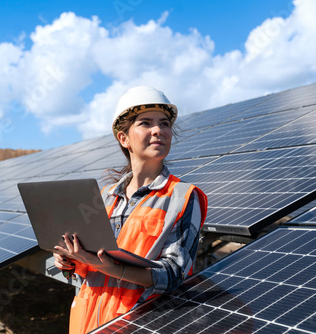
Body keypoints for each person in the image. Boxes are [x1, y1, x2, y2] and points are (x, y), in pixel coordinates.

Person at [53, 86, 208, 334]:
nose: (158, 130)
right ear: (124, 139)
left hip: (139, 323)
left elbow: (174, 275)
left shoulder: (183, 196)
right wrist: (69, 260)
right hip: (88, 321)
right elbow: (86, 267)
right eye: (145, 123)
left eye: (164, 124)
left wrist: (111, 268)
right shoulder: (103, 197)